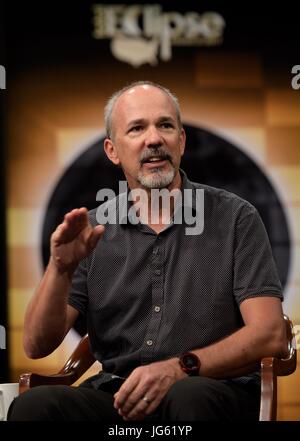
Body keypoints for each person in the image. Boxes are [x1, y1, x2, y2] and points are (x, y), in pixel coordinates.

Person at [9, 81, 288, 421]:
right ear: (113, 150)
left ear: (181, 142)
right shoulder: (91, 232)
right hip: (118, 396)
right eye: (137, 128)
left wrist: (180, 368)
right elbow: (36, 346)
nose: (154, 139)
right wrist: (60, 270)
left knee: (189, 395)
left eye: (165, 125)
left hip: (209, 388)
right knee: (33, 407)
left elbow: (270, 334)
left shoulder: (235, 218)